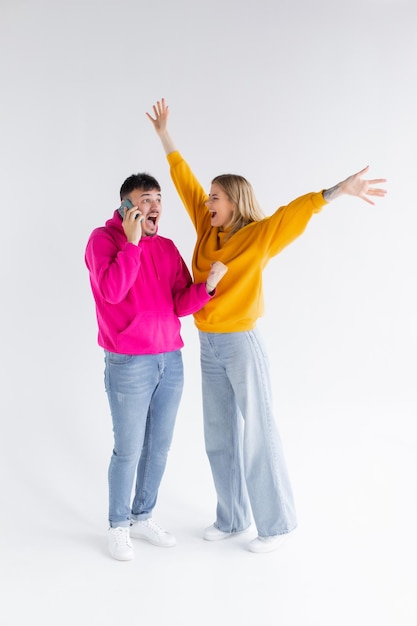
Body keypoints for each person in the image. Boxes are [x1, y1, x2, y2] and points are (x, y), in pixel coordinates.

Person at [146, 98, 387, 553]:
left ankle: (276, 525)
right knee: (219, 436)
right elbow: (184, 181)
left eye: (215, 197)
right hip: (208, 344)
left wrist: (339, 190)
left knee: (257, 431)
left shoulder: (257, 236)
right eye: (209, 197)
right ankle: (233, 517)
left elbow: (296, 212)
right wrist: (164, 135)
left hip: (240, 343)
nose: (206, 201)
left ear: (233, 202)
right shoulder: (206, 229)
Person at [85, 171, 228, 561]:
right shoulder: (102, 241)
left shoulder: (165, 247)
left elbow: (180, 303)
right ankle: (117, 525)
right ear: (126, 206)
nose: (155, 207)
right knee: (128, 449)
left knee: (158, 449)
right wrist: (130, 245)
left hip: (170, 359)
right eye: (146, 199)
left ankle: (142, 515)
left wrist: (208, 288)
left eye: (159, 199)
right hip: (129, 362)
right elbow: (112, 291)